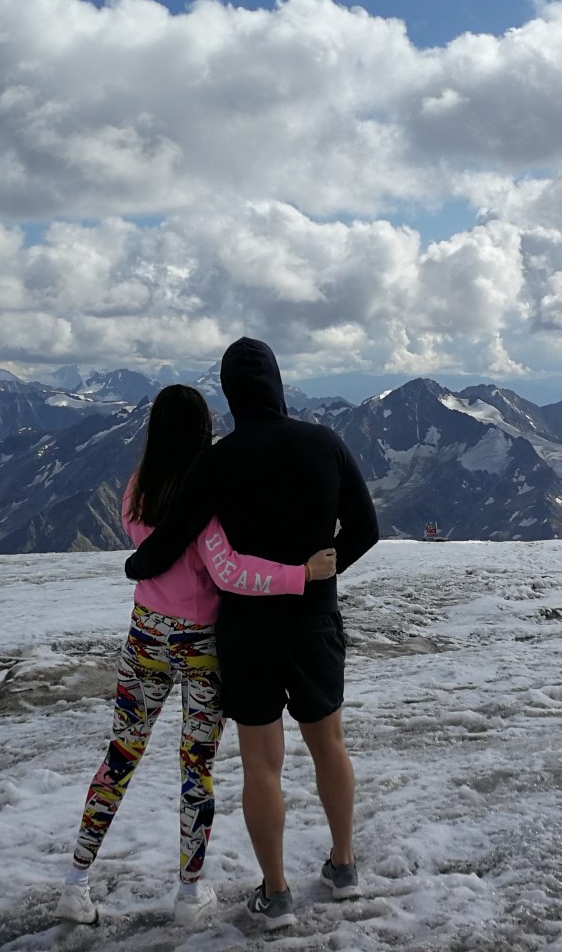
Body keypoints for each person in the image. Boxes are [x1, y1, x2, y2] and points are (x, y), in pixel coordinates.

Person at [57, 384, 337, 929]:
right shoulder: (203, 496)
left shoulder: (135, 489)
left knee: (121, 755)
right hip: (202, 646)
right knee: (196, 767)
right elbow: (229, 572)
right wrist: (302, 575)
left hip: (145, 636)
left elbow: (146, 549)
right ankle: (189, 892)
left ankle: (76, 880)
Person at [125, 337, 380, 930]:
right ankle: (343, 866)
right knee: (329, 744)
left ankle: (277, 891)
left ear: (230, 393)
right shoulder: (324, 443)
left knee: (262, 763)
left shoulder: (216, 461)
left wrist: (134, 567)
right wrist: (323, 568)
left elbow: (172, 538)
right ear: (278, 383)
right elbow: (367, 528)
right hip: (314, 620)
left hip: (246, 631)